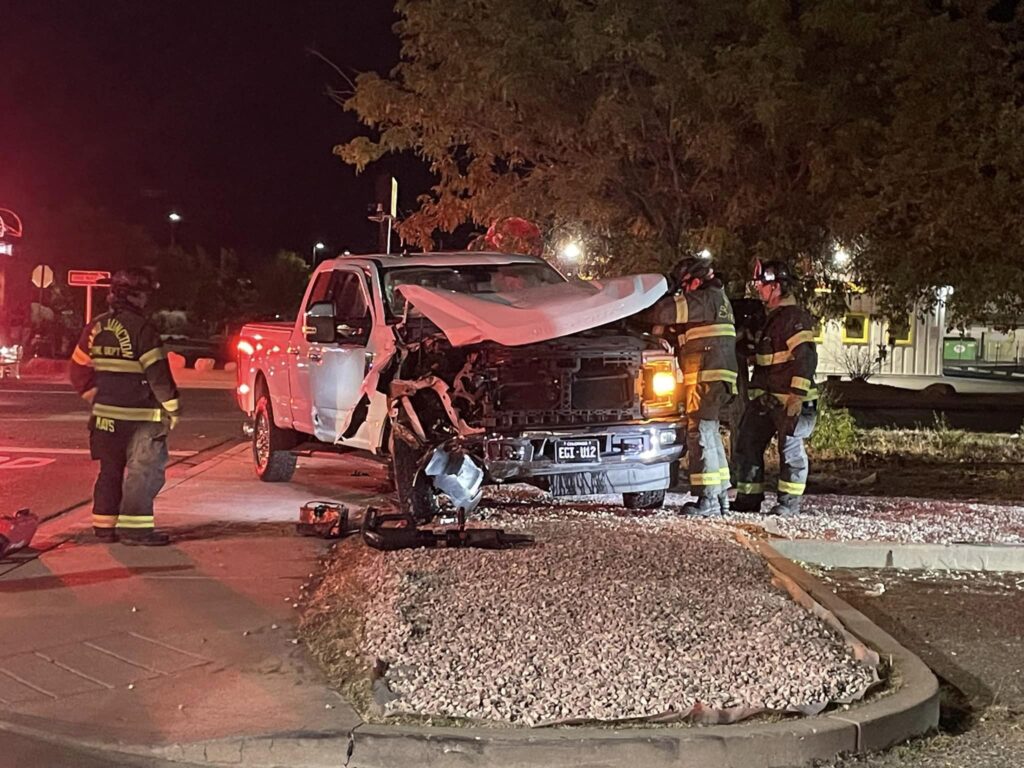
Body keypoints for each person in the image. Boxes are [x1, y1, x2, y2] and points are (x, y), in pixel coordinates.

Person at [69, 268, 180, 545]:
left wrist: (96, 397)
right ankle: (135, 530)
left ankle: (104, 527)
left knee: (110, 470)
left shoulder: (95, 327)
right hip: (141, 419)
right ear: (135, 296)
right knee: (143, 473)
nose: (146, 300)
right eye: (144, 294)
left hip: (104, 419)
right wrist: (172, 408)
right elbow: (158, 376)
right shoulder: (142, 329)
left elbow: (78, 369)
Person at [642, 255, 738, 517]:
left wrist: (645, 304)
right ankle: (720, 497)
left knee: (700, 435)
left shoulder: (702, 299)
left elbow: (662, 312)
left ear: (695, 281)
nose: (684, 291)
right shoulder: (718, 299)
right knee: (710, 432)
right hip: (716, 378)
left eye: (684, 286)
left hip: (707, 377)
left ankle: (707, 500)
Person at [732, 260, 819, 516]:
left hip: (790, 400)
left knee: (790, 451)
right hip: (766, 399)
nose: (758, 289)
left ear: (776, 287)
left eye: (763, 285)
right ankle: (748, 499)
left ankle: (788, 504)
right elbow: (759, 356)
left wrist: (796, 396)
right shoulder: (767, 320)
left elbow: (806, 358)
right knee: (748, 444)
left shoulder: (794, 318)